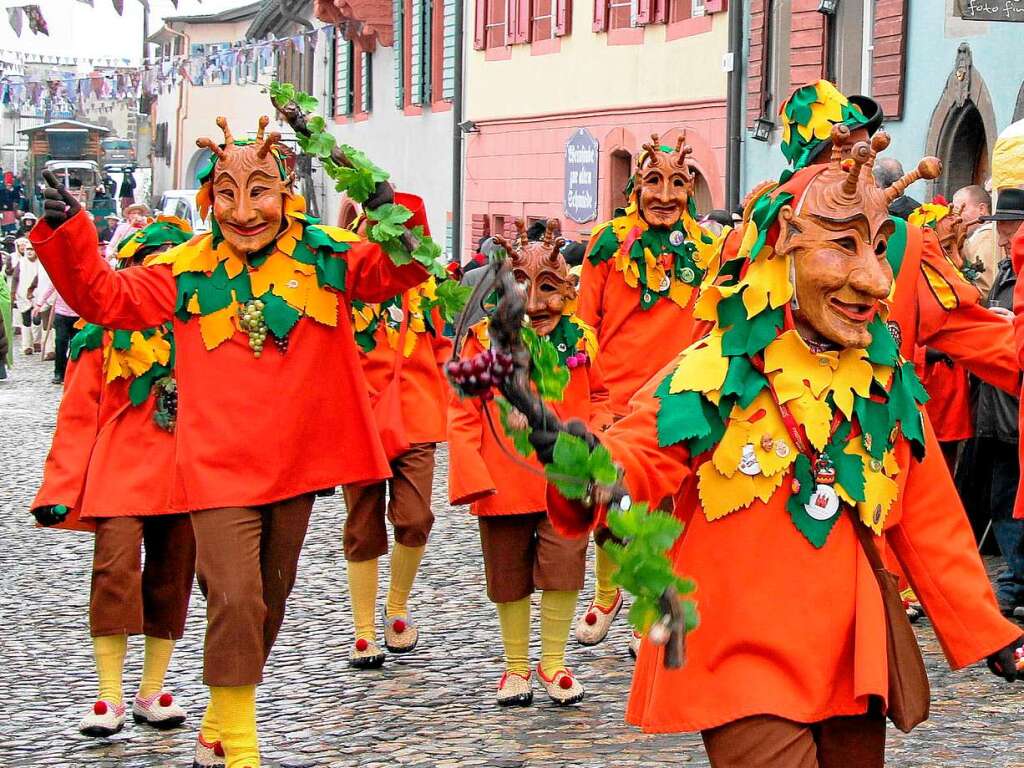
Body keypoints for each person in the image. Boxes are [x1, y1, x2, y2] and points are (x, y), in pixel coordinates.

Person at [522, 129, 1024, 767]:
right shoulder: (721, 369)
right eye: (843, 247)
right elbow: (643, 451)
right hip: (741, 653)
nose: (872, 279)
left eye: (876, 250)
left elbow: (928, 518)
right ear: (783, 247)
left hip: (849, 656)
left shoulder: (881, 378)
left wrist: (989, 633)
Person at [31, 116, 436, 768]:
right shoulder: (185, 270)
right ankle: (242, 752)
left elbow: (410, 262)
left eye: (259, 193)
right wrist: (70, 227)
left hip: (298, 464)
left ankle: (220, 722)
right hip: (215, 467)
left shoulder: (326, 258)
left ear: (286, 193)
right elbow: (104, 297)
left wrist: (378, 190)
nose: (243, 211)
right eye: (226, 194)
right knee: (237, 598)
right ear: (209, 199)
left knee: (268, 604)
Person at [30, 216, 196, 739]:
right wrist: (58, 489)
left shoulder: (203, 327)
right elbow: (77, 417)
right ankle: (108, 693)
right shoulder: (101, 336)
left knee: (172, 581)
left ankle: (152, 689)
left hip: (184, 472)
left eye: (170, 263)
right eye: (149, 262)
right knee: (113, 577)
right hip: (119, 471)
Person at [448, 219, 612, 706]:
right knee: (509, 575)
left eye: (550, 289)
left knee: (565, 569)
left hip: (565, 476)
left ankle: (553, 662)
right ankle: (516, 665)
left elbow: (601, 397)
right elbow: (462, 411)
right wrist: (470, 474)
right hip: (504, 480)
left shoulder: (580, 340)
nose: (538, 305)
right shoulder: (483, 341)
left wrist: (598, 439)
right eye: (524, 287)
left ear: (568, 289)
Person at [575, 134, 720, 654]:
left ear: (691, 190)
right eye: (653, 183)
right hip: (613, 396)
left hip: (672, 396)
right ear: (636, 187)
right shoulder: (608, 243)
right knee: (610, 506)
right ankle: (609, 590)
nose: (664, 195)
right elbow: (583, 319)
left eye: (677, 184)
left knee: (661, 509)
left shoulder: (707, 249)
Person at [344, 261, 452, 669]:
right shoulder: (349, 284)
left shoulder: (427, 285)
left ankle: (397, 603)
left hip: (417, 414)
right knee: (362, 523)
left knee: (414, 517)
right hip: (360, 417)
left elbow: (442, 344)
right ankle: (363, 630)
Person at [974, 191, 1024, 616]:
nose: (1001, 234)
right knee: (1003, 494)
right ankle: (1013, 578)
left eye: (1007, 226)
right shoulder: (1007, 268)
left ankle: (1014, 582)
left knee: (1012, 495)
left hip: (1012, 399)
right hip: (997, 402)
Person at [32, 266, 79, 384]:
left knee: (75, 345)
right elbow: (49, 288)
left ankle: (70, 372)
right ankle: (59, 373)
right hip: (61, 314)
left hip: (78, 316)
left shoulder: (81, 274)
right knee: (60, 344)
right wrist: (39, 304)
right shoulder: (59, 275)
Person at [954, 184, 997, 299]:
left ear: (982, 209)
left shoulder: (985, 237)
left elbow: (985, 289)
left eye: (960, 210)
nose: (956, 217)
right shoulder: (979, 236)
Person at [14, 240, 41, 355]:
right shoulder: (21, 262)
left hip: (38, 294)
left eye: (32, 250)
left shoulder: (41, 263)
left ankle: (37, 342)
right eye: (28, 250)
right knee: (26, 321)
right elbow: (15, 278)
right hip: (23, 294)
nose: (30, 252)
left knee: (37, 320)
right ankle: (27, 345)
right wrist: (13, 293)